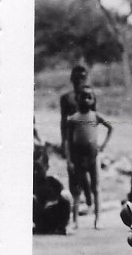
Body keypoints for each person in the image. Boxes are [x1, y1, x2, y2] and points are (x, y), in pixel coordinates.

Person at [64, 85, 113, 229]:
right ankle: (75, 221)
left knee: (96, 188)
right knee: (77, 190)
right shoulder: (73, 118)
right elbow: (68, 141)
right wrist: (68, 160)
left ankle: (98, 219)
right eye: (83, 96)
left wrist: (103, 146)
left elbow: (110, 127)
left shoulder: (95, 116)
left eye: (89, 97)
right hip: (78, 157)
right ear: (77, 99)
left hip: (93, 156)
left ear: (93, 100)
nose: (86, 99)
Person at [59, 65, 90, 202]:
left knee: (88, 170)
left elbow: (93, 117)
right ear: (72, 79)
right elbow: (63, 121)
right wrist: (63, 140)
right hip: (72, 139)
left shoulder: (89, 96)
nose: (80, 81)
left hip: (86, 138)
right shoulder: (66, 98)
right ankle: (76, 202)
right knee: (73, 171)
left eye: (82, 77)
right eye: (77, 78)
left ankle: (90, 199)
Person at [33, 145, 71, 235]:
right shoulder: (32, 183)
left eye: (38, 168)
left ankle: (61, 227)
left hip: (52, 216)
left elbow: (64, 194)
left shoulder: (52, 181)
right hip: (41, 216)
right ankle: (40, 227)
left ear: (46, 167)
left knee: (65, 201)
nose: (35, 172)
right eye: (34, 168)